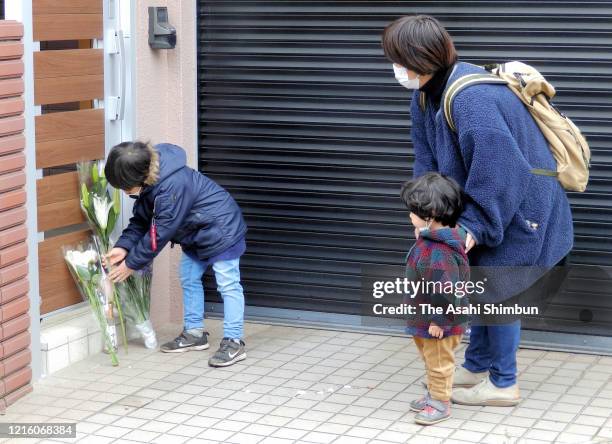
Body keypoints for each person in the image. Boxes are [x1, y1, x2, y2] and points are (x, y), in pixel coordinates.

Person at [382, 15, 573, 406]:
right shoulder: (423, 96)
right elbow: (428, 164)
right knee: (479, 283)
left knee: (500, 291)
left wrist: (474, 227)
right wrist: (429, 217)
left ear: (418, 58)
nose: (395, 69)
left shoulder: (470, 98)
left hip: (522, 207)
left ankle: (504, 384)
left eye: (398, 60)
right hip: (489, 201)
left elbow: (501, 170)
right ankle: (478, 362)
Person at [104, 141, 249, 367]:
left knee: (228, 285)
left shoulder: (171, 185)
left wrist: (131, 263)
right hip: (196, 232)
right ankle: (194, 333)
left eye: (126, 188)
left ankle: (233, 340)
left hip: (222, 230)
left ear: (140, 176)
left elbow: (159, 232)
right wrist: (122, 247)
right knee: (189, 278)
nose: (125, 192)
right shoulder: (150, 180)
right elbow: (142, 221)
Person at [401, 172, 470, 425]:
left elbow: (444, 290)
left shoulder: (439, 252)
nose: (409, 215)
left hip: (441, 322)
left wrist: (439, 320)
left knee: (439, 362)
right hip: (426, 318)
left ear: (430, 216)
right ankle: (434, 395)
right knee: (431, 359)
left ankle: (440, 403)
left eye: (413, 211)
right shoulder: (431, 240)